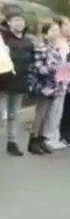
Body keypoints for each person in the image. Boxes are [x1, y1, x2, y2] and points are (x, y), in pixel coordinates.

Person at [0, 8, 34, 157]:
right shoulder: (1, 39)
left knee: (14, 114)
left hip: (20, 81)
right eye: (15, 20)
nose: (19, 24)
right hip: (3, 80)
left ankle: (12, 142)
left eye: (21, 21)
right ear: (9, 22)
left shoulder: (28, 41)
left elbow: (32, 61)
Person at [28, 21, 65, 155]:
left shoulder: (56, 49)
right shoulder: (40, 48)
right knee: (40, 113)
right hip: (44, 85)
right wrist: (55, 70)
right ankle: (33, 139)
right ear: (45, 33)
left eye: (57, 30)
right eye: (52, 30)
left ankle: (42, 139)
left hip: (55, 85)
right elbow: (39, 67)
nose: (55, 33)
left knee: (48, 115)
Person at [43, 17, 70, 149]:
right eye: (65, 25)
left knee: (59, 110)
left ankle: (55, 135)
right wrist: (62, 79)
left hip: (64, 80)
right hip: (55, 81)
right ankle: (48, 136)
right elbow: (61, 63)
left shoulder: (65, 43)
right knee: (53, 110)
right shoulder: (58, 44)